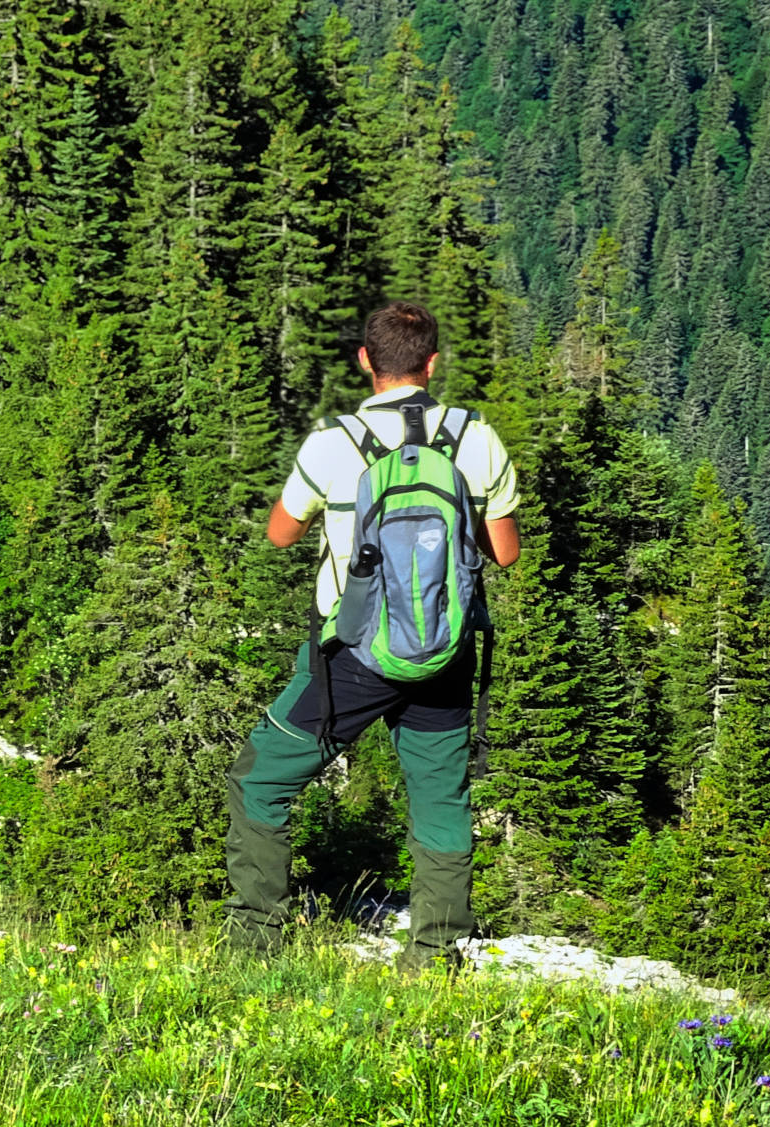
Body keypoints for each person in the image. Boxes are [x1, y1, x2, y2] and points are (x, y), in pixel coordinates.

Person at [223, 300, 521, 974]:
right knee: (440, 803)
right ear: (432, 364)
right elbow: (504, 553)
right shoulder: (476, 438)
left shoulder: (334, 441)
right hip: (443, 653)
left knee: (260, 780)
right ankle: (432, 959)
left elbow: (280, 533)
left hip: (350, 656)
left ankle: (254, 948)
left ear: (365, 360)